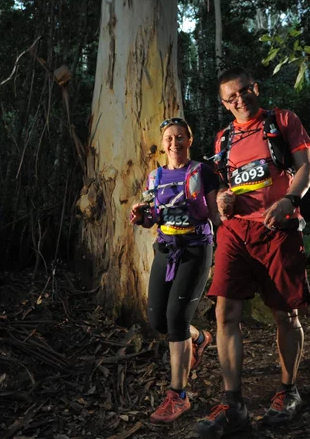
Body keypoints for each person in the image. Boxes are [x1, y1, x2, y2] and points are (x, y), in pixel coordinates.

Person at [195, 67, 310, 438]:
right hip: (237, 232)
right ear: (224, 103)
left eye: (244, 92)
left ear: (255, 89)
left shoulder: (282, 120)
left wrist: (290, 200)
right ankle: (234, 405)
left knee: (285, 312)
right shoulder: (223, 138)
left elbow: (305, 167)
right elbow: (225, 189)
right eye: (231, 97)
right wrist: (224, 199)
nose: (240, 100)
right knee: (225, 312)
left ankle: (288, 391)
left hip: (278, 230)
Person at [130, 117, 222, 423]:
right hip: (165, 249)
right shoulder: (154, 178)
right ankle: (199, 339)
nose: (174, 143)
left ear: (190, 140)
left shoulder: (202, 172)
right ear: (163, 143)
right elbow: (150, 219)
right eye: (169, 138)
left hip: (195, 249)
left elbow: (216, 215)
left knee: (177, 320)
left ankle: (178, 396)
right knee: (158, 320)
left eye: (180, 137)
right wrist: (139, 217)